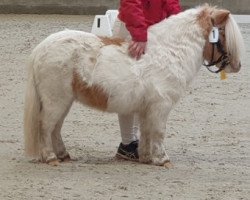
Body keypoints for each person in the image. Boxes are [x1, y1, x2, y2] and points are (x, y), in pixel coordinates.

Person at [113, 0, 182, 161]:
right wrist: (139, 35)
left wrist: (178, 24)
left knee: (147, 90)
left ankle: (135, 143)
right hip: (132, 26)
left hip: (155, 28)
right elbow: (131, 3)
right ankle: (127, 142)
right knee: (129, 87)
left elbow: (171, 2)